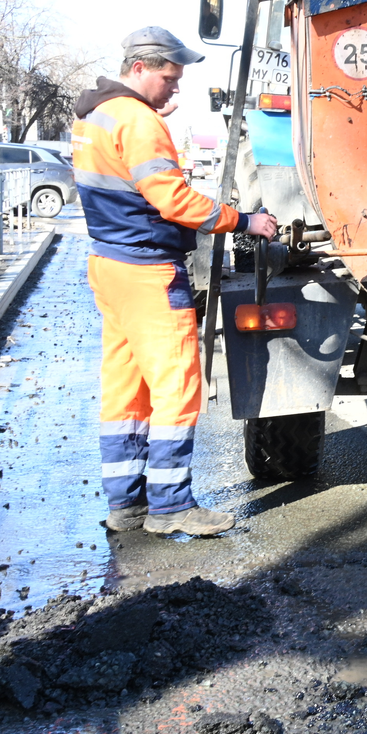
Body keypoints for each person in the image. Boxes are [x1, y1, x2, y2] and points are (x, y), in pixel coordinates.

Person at [73, 27, 278, 537]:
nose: (175, 90)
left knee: (127, 392)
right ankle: (170, 506)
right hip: (147, 272)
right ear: (139, 69)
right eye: (169, 78)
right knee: (177, 387)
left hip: (111, 267)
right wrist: (243, 220)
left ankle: (127, 505)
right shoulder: (139, 123)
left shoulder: (96, 116)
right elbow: (173, 200)